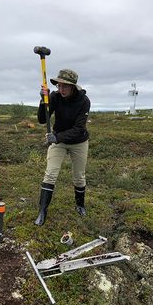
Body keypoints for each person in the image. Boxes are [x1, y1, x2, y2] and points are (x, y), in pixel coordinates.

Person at [35, 69, 91, 226]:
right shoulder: (54, 97)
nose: (61, 90)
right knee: (50, 174)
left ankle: (80, 205)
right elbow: (41, 119)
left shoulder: (84, 101)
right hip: (58, 140)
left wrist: (57, 137)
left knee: (79, 176)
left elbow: (79, 128)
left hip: (79, 142)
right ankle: (42, 211)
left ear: (73, 87)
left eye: (65, 87)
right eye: (59, 86)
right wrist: (42, 100)